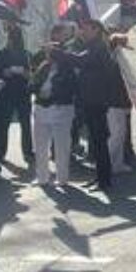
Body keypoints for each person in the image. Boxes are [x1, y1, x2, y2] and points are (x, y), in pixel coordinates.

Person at [50, 19, 115, 192]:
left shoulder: (99, 48)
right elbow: (79, 59)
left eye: (85, 28)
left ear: (96, 30)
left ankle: (104, 181)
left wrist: (57, 53)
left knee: (99, 142)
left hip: (97, 101)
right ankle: (100, 177)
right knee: (95, 141)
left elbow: (80, 61)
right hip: (90, 100)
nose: (82, 32)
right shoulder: (93, 46)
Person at [29, 24, 78, 186]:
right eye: (47, 51)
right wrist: (37, 91)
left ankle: (62, 178)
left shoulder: (68, 67)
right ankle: (42, 177)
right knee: (40, 145)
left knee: (61, 146)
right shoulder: (43, 66)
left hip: (61, 109)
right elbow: (32, 85)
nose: (48, 54)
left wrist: (52, 95)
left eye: (52, 51)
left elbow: (71, 88)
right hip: (41, 109)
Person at [0, 23, 33, 165]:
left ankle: (28, 151)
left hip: (23, 92)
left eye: (15, 38)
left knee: (25, 124)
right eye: (11, 38)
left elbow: (32, 74)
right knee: (3, 124)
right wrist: (4, 72)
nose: (12, 41)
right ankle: (0, 152)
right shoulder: (1, 54)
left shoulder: (26, 54)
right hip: (6, 92)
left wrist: (25, 73)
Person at [106, 32, 133, 176]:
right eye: (124, 43)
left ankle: (118, 163)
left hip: (120, 102)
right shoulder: (114, 61)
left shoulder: (117, 60)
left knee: (121, 134)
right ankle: (107, 162)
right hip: (114, 102)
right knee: (116, 134)